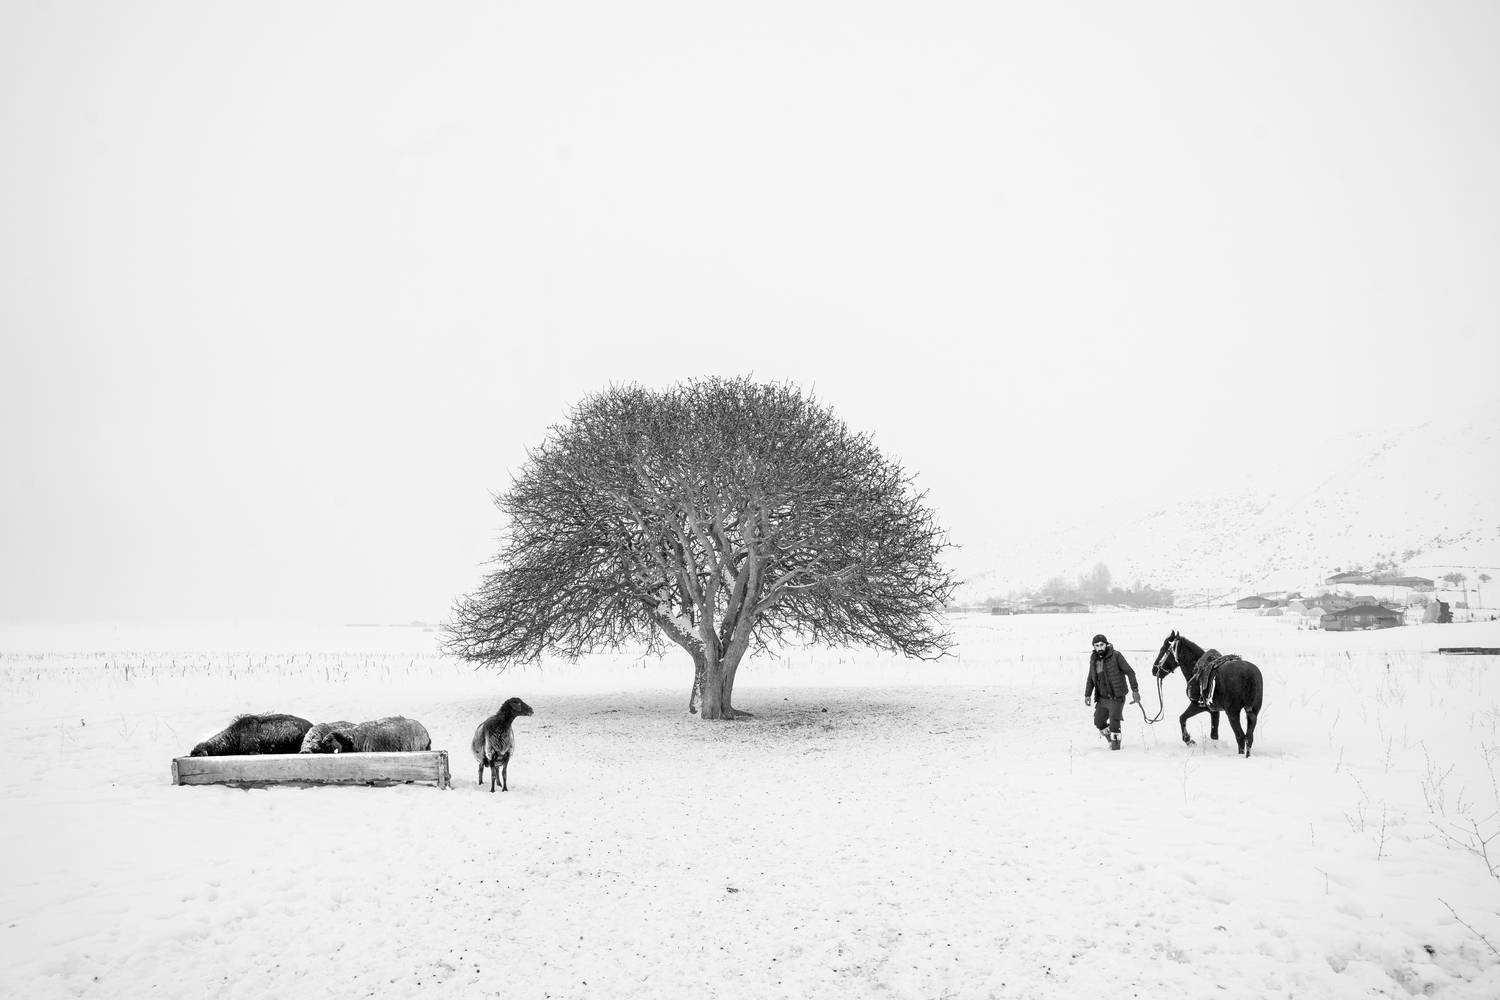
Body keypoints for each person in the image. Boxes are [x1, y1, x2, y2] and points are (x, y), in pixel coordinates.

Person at [1084, 633, 1140, 750]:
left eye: (1101, 645)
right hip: (1102, 698)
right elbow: (1091, 678)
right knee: (1098, 721)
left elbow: (1130, 672)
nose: (1099, 648)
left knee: (1114, 724)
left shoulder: (1116, 656)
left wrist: (1135, 690)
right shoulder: (1094, 659)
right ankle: (1110, 740)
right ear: (1094, 647)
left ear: (1106, 644)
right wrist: (1087, 695)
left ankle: (1116, 747)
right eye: (1096, 645)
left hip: (1116, 697)